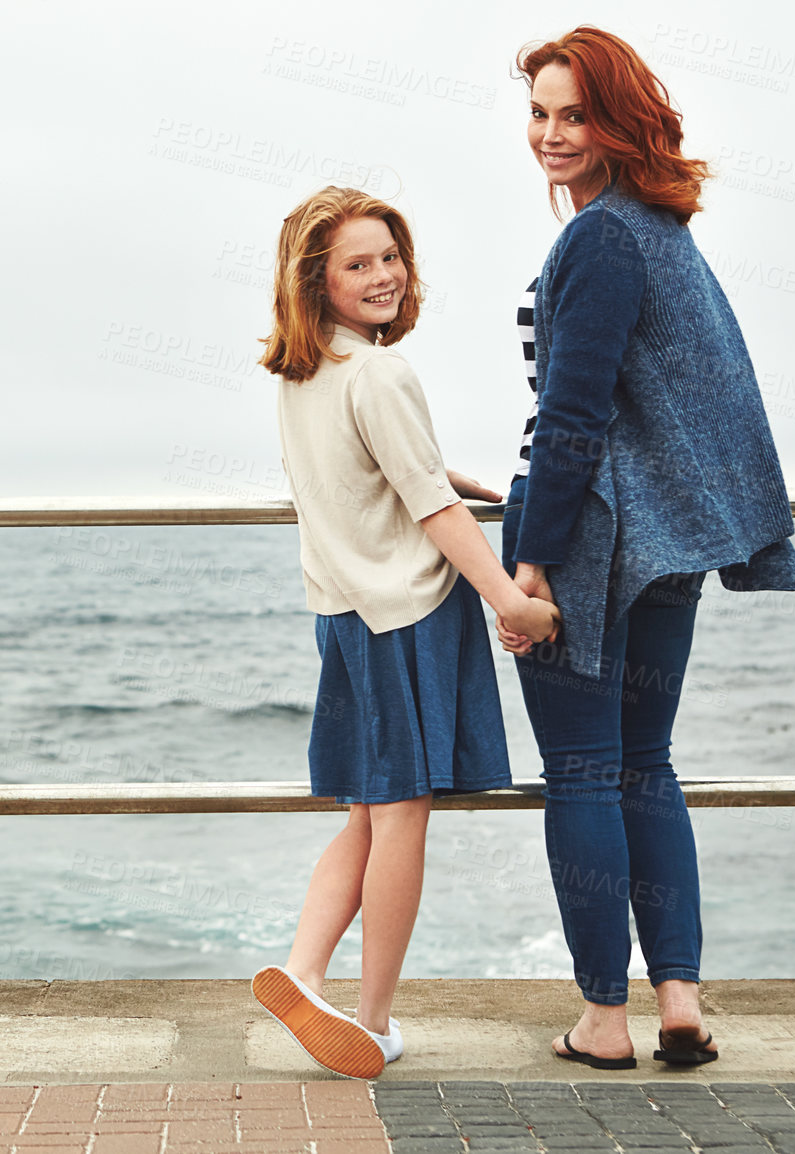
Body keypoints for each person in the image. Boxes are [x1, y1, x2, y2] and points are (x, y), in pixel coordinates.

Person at [496, 26, 795, 1070]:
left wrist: (531, 556)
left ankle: (601, 1018)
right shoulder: (662, 229)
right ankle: (677, 996)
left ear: (619, 119)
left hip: (591, 540)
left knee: (581, 772)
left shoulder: (600, 237)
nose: (550, 134)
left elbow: (574, 413)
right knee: (646, 765)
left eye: (572, 113)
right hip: (667, 541)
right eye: (539, 112)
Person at [252, 185, 561, 1080]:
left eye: (390, 256)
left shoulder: (307, 376)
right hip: (409, 618)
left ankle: (303, 970)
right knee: (403, 823)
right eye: (359, 264)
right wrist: (510, 599)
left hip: (344, 618)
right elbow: (427, 505)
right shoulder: (381, 375)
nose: (383, 275)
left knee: (367, 812)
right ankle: (374, 1017)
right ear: (318, 284)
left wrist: (461, 479)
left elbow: (388, 466)